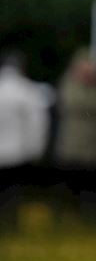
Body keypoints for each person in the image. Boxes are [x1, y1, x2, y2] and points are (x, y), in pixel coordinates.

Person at [54, 48, 96, 225]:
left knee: (95, 186)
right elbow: (74, 103)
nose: (89, 74)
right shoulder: (69, 84)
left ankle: (92, 217)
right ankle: (66, 216)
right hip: (73, 146)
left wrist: (94, 107)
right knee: (70, 185)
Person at [0, 51, 52, 233]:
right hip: (17, 151)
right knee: (13, 191)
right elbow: (38, 124)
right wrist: (37, 149)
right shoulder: (28, 91)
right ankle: (11, 223)